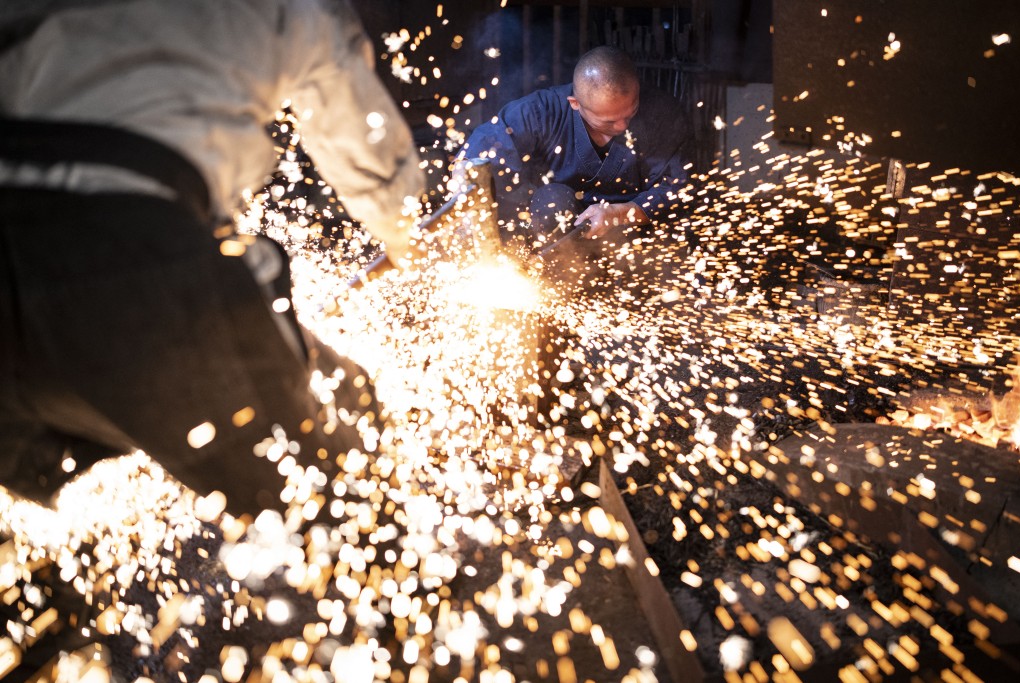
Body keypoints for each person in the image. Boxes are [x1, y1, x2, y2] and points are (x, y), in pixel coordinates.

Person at [0, 0, 425, 518]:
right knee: (334, 462)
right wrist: (407, 239)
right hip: (121, 260)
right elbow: (368, 144)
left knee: (37, 567)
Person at [458, 45, 693, 263]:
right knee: (553, 201)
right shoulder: (542, 111)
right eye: (609, 121)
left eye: (630, 113)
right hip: (556, 231)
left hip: (631, 231)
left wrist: (619, 213)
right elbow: (475, 157)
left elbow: (675, 189)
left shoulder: (662, 115)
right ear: (575, 103)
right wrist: (464, 200)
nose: (622, 126)